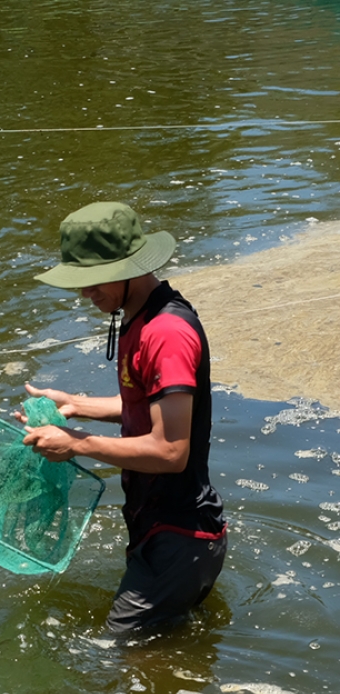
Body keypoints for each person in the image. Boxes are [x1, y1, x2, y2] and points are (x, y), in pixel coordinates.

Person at [20, 201, 226, 633]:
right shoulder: (138, 318)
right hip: (166, 531)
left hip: (179, 535)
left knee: (124, 658)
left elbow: (170, 450)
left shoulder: (165, 333)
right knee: (165, 651)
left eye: (92, 280)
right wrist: (75, 405)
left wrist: (77, 443)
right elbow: (143, 408)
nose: (84, 293)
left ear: (129, 266)